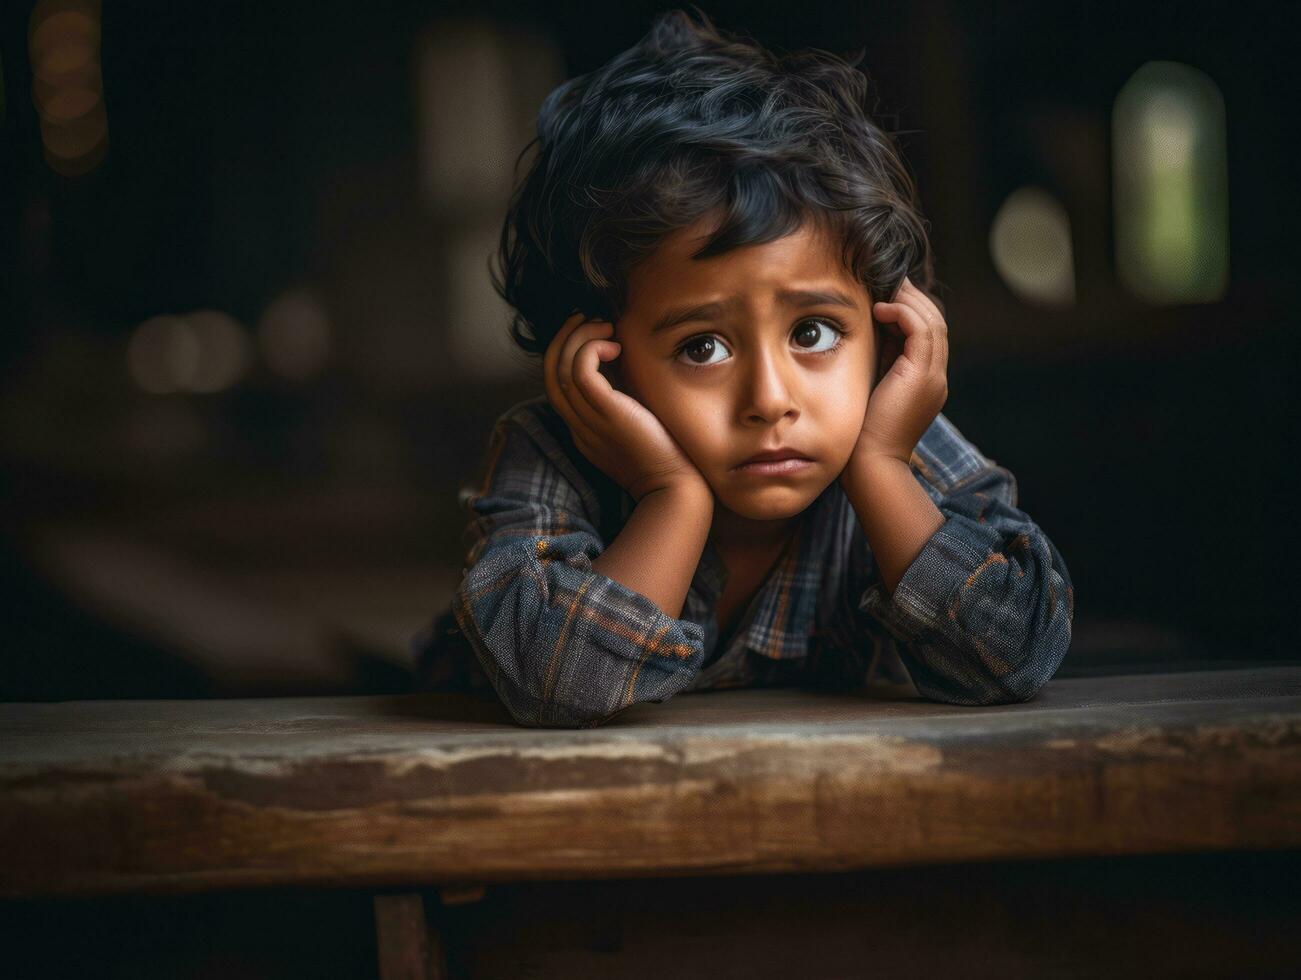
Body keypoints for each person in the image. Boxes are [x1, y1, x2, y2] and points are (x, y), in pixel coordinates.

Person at [411, 7, 1074, 728]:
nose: (769, 398)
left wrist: (882, 469)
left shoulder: (890, 440)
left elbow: (1017, 656)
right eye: (702, 347)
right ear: (606, 363)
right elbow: (555, 685)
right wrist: (671, 496)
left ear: (885, 337)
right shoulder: (553, 451)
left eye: (814, 332)